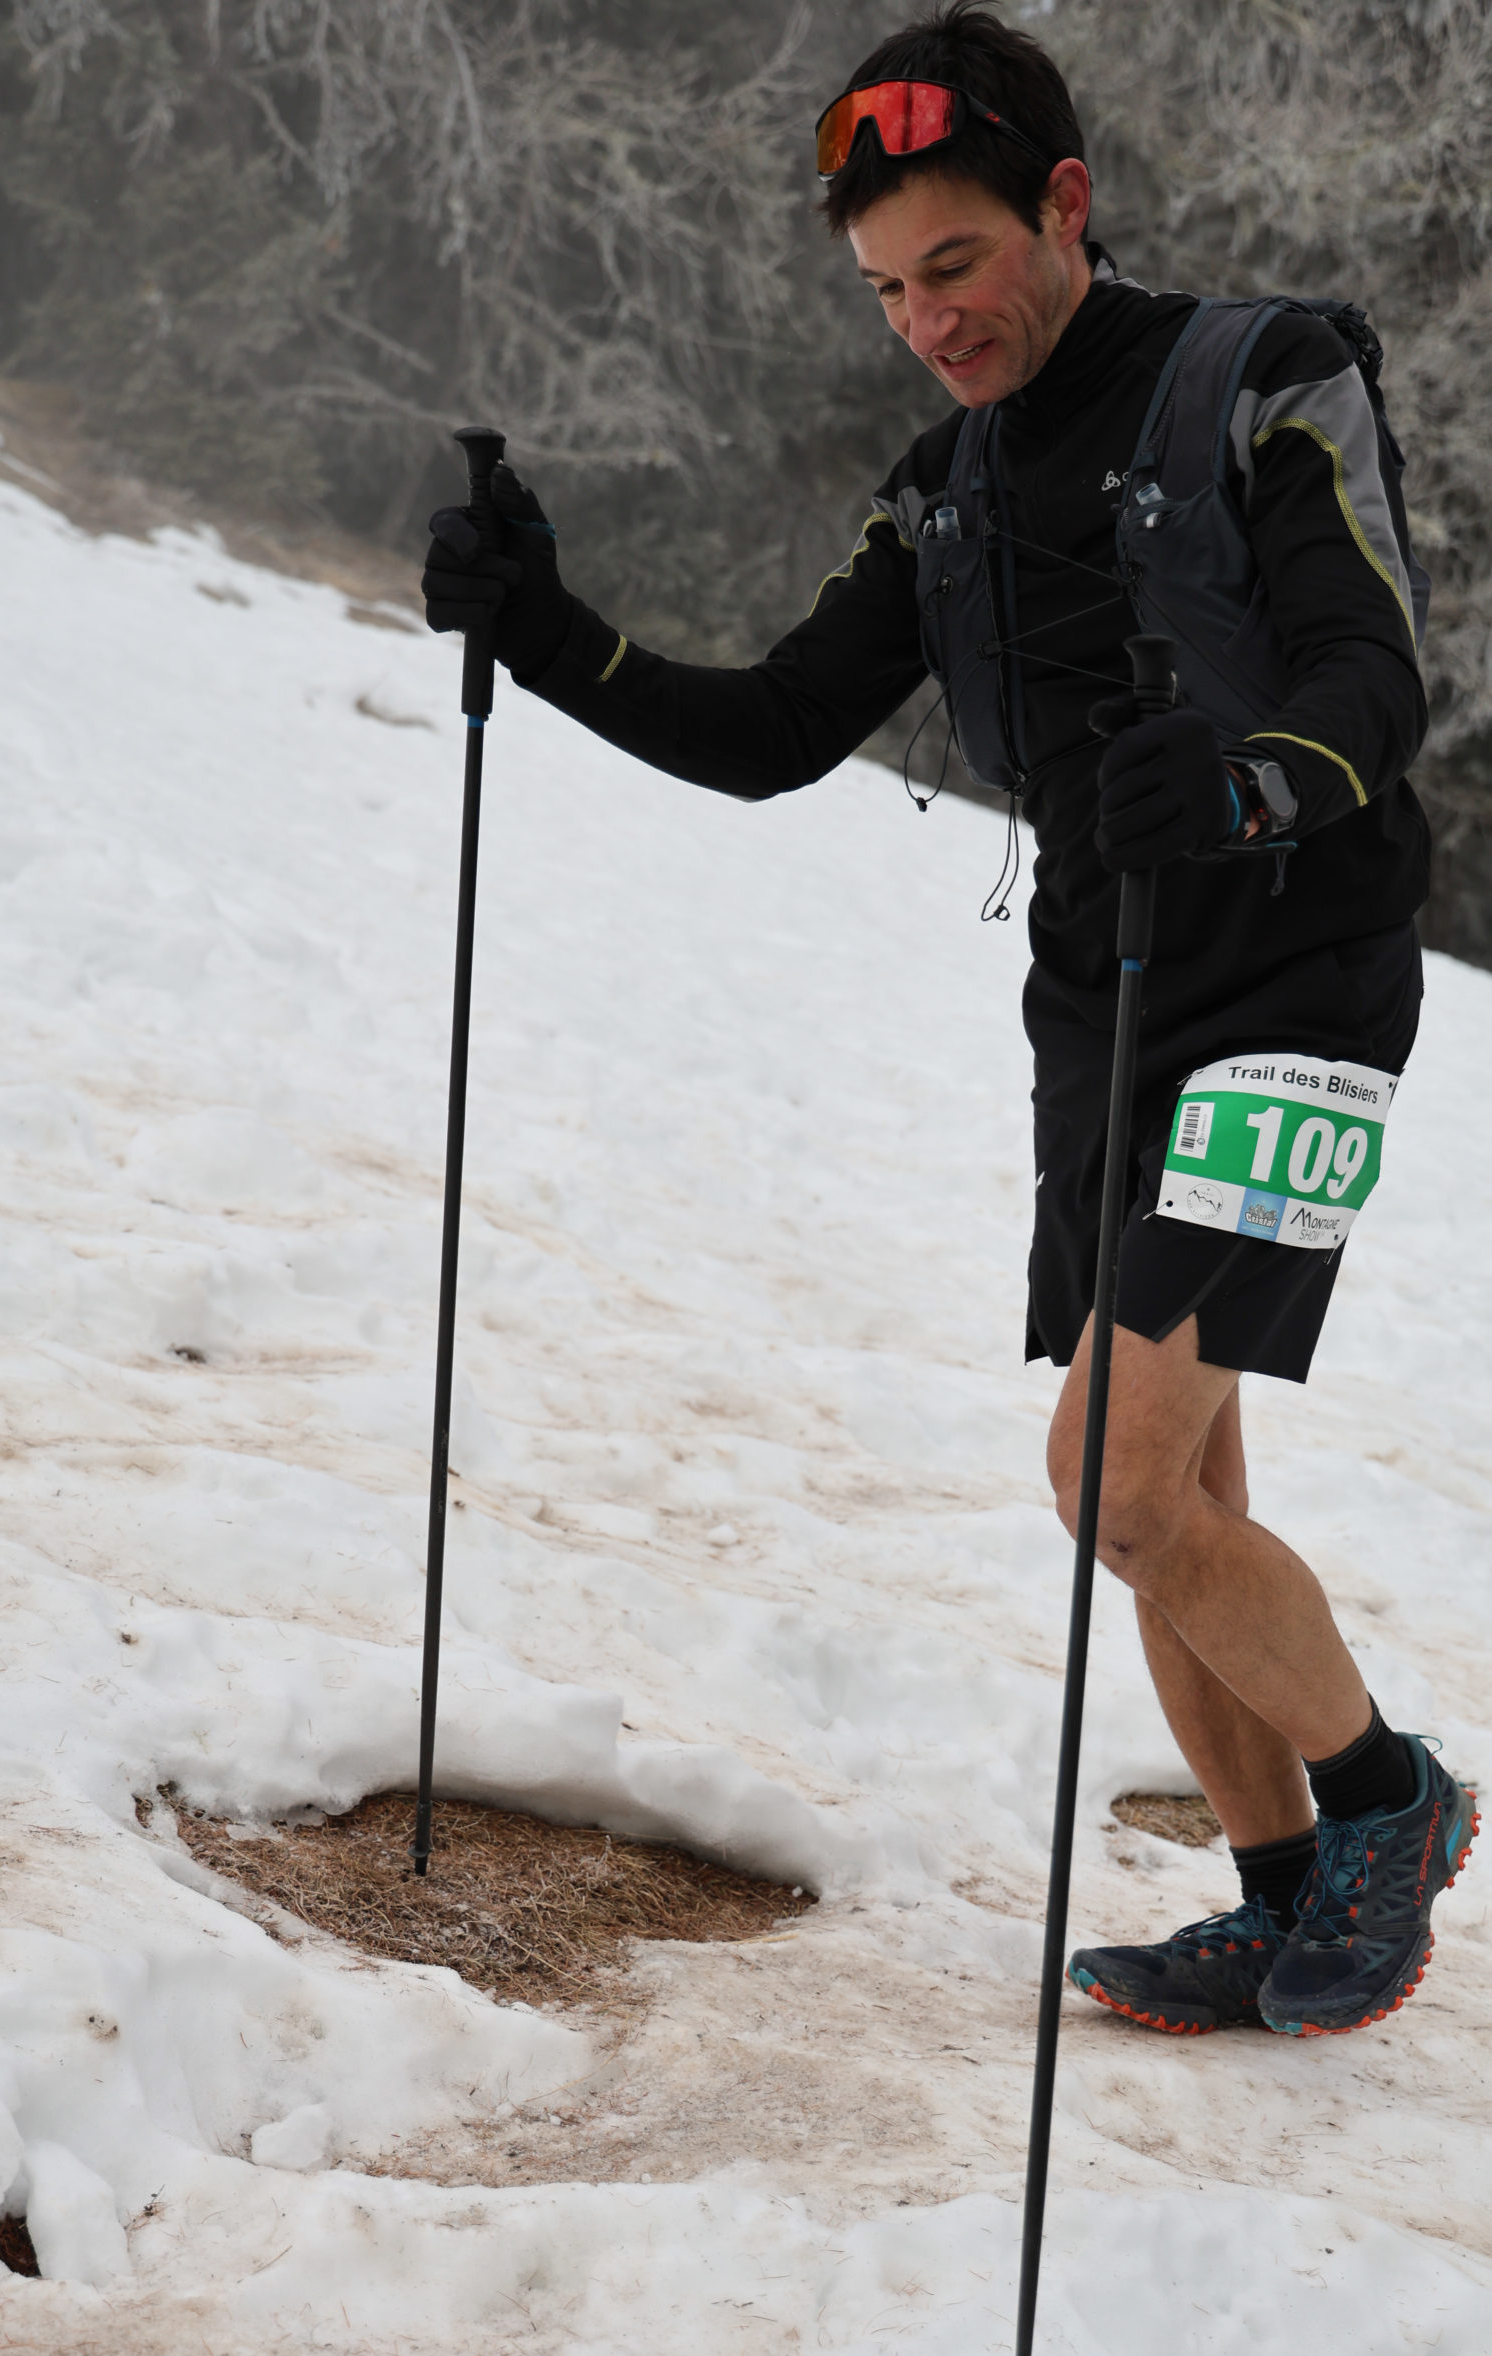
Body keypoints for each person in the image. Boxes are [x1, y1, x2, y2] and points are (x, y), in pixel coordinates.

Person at [421, 2, 1475, 2039]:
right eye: (889, 289)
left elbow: (1371, 671)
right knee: (1180, 1500)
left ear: (1064, 204)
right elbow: (768, 729)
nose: (927, 321)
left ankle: (1386, 1802)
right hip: (1105, 1002)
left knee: (1115, 1485)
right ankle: (1278, 1898)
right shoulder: (947, 491)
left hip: (1297, 987)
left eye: (957, 263)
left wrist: (1247, 782)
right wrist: (540, 632)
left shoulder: (1264, 377)